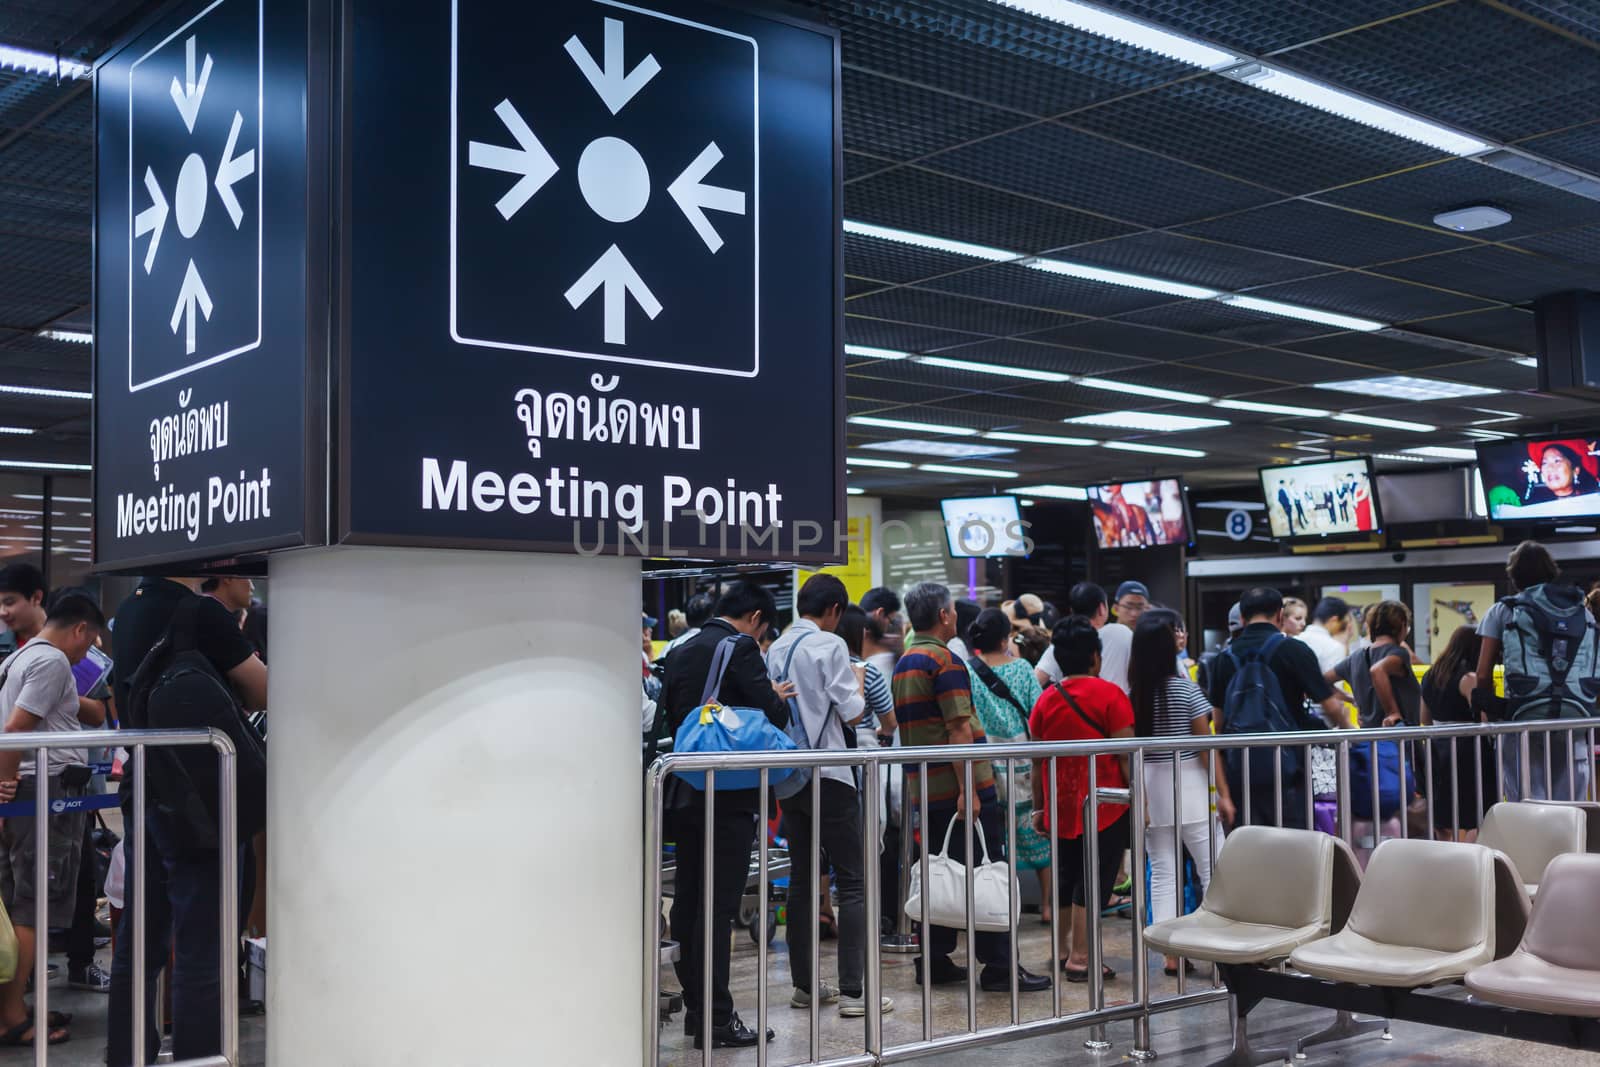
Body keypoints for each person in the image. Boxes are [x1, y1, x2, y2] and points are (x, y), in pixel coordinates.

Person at [107, 577, 267, 1066]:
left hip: (144, 783)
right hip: (200, 795)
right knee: (203, 943)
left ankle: (128, 1055)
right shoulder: (202, 614)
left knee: (140, 941)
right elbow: (262, 691)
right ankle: (200, 1058)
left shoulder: (128, 611)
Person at [892, 582, 1049, 994]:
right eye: (953, 611)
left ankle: (936, 960)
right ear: (944, 615)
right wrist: (970, 790)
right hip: (962, 788)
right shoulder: (944, 661)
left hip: (925, 788)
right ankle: (999, 966)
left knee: (940, 871)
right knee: (986, 871)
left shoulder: (906, 660)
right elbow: (959, 729)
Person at [659, 581, 792, 1050]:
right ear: (756, 618)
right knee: (718, 904)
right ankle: (717, 1018)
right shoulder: (741, 647)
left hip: (684, 789)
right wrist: (775, 692)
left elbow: (672, 716)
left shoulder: (681, 648)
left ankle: (699, 1008)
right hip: (729, 795)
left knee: (690, 900)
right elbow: (772, 715)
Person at [767, 576, 892, 1020]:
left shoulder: (776, 647)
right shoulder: (830, 646)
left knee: (802, 881)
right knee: (853, 879)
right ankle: (855, 992)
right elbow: (854, 710)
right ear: (835, 610)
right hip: (832, 774)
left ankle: (804, 986)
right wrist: (857, 686)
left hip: (791, 777)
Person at [0, 593, 105, 1046]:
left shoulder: (21, 657)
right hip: (45, 791)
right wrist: (3, 782)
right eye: (90, 641)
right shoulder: (52, 662)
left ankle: (14, 1005)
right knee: (34, 905)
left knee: (23, 900)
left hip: (31, 790)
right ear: (80, 629)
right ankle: (12, 1016)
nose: (87, 653)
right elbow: (16, 729)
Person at [1028, 617, 1132, 983]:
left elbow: (1037, 761)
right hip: (1106, 805)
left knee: (1067, 875)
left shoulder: (1046, 699)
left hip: (1061, 804)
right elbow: (1125, 755)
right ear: (1095, 657)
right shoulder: (1112, 696)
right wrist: (1141, 801)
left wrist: (1040, 806)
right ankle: (1082, 958)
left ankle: (1060, 950)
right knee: (1096, 877)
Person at [1128, 610, 1232, 974]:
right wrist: (1222, 792)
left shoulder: (1133, 694)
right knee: (1213, 869)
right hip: (1189, 784)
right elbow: (1206, 746)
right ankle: (1220, 949)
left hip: (1150, 788)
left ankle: (1171, 953)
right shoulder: (1186, 688)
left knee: (1163, 872)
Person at [1206, 588, 1348, 829]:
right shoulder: (1295, 650)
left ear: (1242, 618)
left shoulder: (1222, 659)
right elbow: (1330, 706)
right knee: (1291, 846)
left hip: (1240, 769)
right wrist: (1350, 732)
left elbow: (1219, 723)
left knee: (1248, 846)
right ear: (1280, 615)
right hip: (1289, 768)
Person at [1475, 541, 1594, 802]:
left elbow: (1483, 674)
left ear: (1514, 575)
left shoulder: (1504, 610)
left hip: (1523, 718)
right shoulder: (1582, 613)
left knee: (1528, 805)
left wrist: (1489, 713)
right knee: (1570, 806)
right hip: (1575, 717)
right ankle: (1570, 844)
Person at [963, 609, 1052, 924]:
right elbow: (1036, 709)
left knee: (992, 837)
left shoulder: (968, 671)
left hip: (985, 763)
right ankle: (1047, 905)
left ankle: (998, 906)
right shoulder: (1022, 668)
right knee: (1035, 832)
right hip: (1022, 763)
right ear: (1005, 639)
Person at [1421, 626, 1491, 840]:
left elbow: (1424, 718)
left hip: (1436, 750)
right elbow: (1483, 718)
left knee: (1443, 814)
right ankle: (1472, 861)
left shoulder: (1430, 675)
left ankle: (1444, 863)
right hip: (1468, 752)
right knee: (1477, 813)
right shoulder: (1468, 678)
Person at [1329, 601, 1422, 729]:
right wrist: (1393, 713)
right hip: (1399, 742)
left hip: (1370, 742)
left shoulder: (1355, 658)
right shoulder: (1398, 653)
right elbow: (1378, 670)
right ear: (1402, 625)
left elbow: (1320, 681)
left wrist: (1351, 699)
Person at [1035, 583, 1132, 693]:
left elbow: (1034, 683)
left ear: (1072, 611)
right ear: (1102, 608)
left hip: (1074, 706)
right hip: (1118, 705)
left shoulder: (1063, 642)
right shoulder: (1123, 633)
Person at [836, 604, 896, 748]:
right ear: (858, 633)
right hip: (860, 752)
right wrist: (879, 731)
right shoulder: (868, 672)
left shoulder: (825, 668)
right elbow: (890, 723)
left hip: (826, 751)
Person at [1524, 441, 1600, 504]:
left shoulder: (1594, 501)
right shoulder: (1534, 506)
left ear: (1575, 470)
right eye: (1544, 463)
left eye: (1557, 461)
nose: (1549, 468)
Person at [1298, 597, 1351, 674]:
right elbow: (1336, 684)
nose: (1343, 628)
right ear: (1334, 620)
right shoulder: (1334, 647)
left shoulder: (1295, 639)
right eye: (1343, 623)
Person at [662, 591, 715, 658]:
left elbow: (659, 667)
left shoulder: (671, 645)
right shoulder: (716, 644)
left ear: (686, 618)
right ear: (711, 617)